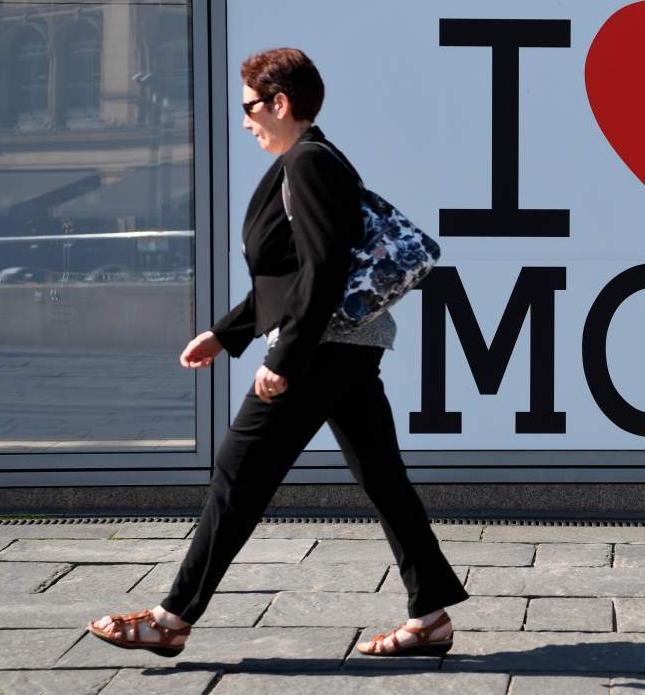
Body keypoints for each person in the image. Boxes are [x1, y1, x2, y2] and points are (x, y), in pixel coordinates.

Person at [88, 47, 468, 657]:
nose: (244, 122)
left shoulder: (309, 163)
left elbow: (322, 270)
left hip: (319, 350)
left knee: (238, 473)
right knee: (382, 478)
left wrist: (281, 360)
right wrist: (229, 331)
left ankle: (172, 617)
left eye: (250, 108)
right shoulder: (307, 160)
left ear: (280, 103)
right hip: (342, 348)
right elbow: (289, 274)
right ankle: (430, 617)